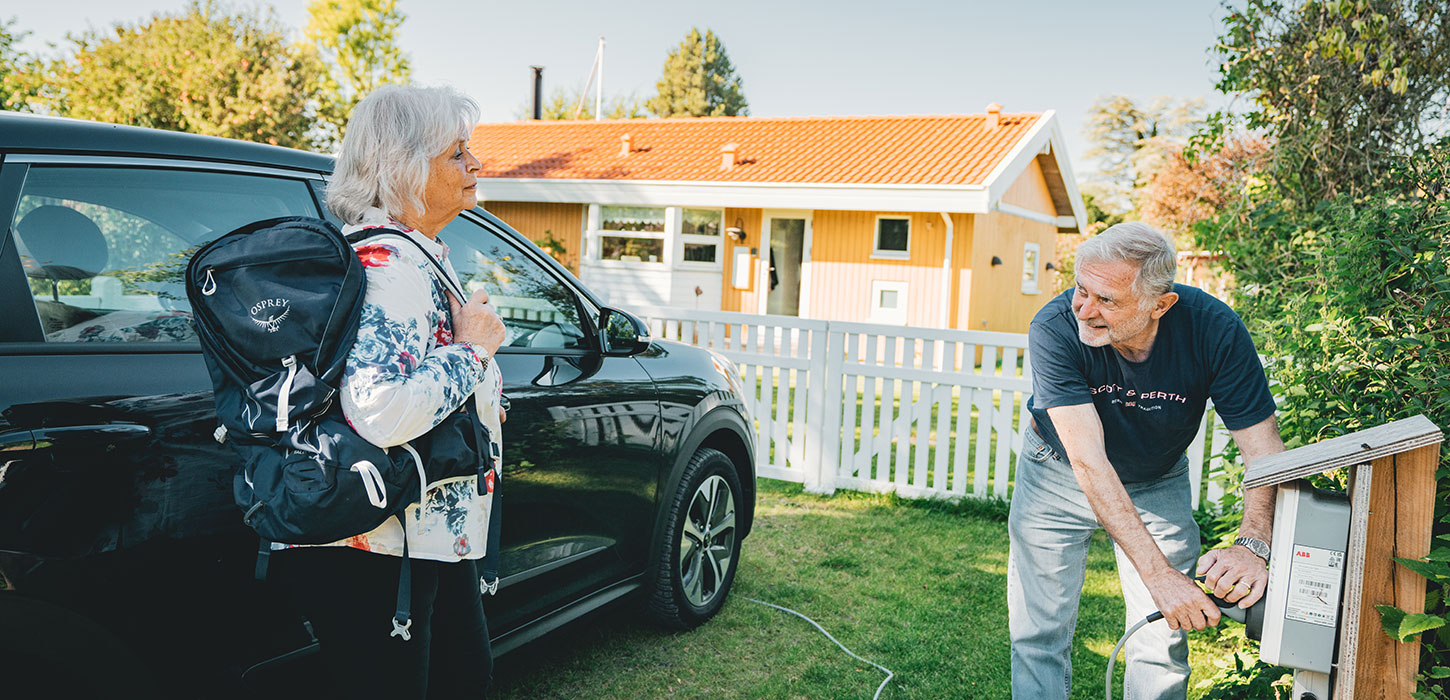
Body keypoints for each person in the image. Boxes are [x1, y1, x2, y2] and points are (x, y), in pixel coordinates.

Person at [269, 84, 508, 700]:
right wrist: (474, 350)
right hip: (375, 547)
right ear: (402, 168)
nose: (475, 165)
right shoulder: (390, 270)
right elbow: (380, 409)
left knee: (463, 677)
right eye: (457, 153)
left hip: (406, 536)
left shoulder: (403, 256)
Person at [1008, 222, 1286, 700]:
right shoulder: (1055, 328)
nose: (1085, 310)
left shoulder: (1214, 329)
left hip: (1157, 479)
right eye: (1081, 290)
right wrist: (1158, 575)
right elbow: (1089, 461)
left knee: (1161, 637)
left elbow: (1265, 451)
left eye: (1107, 301)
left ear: (1161, 304)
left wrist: (1253, 544)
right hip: (1057, 472)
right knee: (1039, 631)